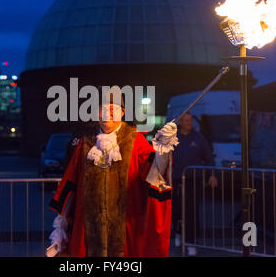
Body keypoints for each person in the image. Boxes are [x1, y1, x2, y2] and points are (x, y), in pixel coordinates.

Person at [47, 93, 178, 257]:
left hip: (125, 230)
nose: (107, 113)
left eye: (112, 109)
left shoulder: (136, 141)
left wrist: (162, 150)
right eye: (102, 109)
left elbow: (155, 177)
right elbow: (70, 185)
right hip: (87, 231)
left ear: (122, 113)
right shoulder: (85, 143)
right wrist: (61, 226)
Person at [171, 112, 216, 256]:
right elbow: (163, 157)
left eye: (190, 120)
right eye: (186, 120)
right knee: (176, 209)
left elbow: (209, 157)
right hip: (176, 179)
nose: (189, 123)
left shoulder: (199, 137)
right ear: (180, 123)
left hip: (193, 179)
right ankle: (178, 232)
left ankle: (191, 242)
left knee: (191, 210)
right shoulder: (173, 138)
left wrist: (212, 175)